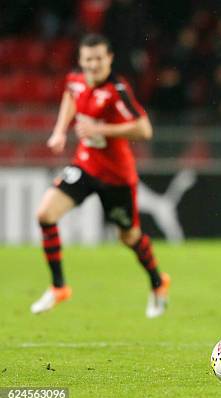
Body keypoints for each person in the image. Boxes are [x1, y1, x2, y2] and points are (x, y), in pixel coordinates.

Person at [30, 34, 170, 319]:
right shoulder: (75, 79)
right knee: (45, 214)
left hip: (117, 176)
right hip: (85, 166)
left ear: (109, 59)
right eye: (88, 59)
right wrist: (59, 130)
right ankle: (59, 287)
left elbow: (144, 129)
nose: (93, 65)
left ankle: (158, 282)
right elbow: (70, 95)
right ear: (81, 61)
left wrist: (101, 130)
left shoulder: (117, 90)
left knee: (128, 237)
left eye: (98, 59)